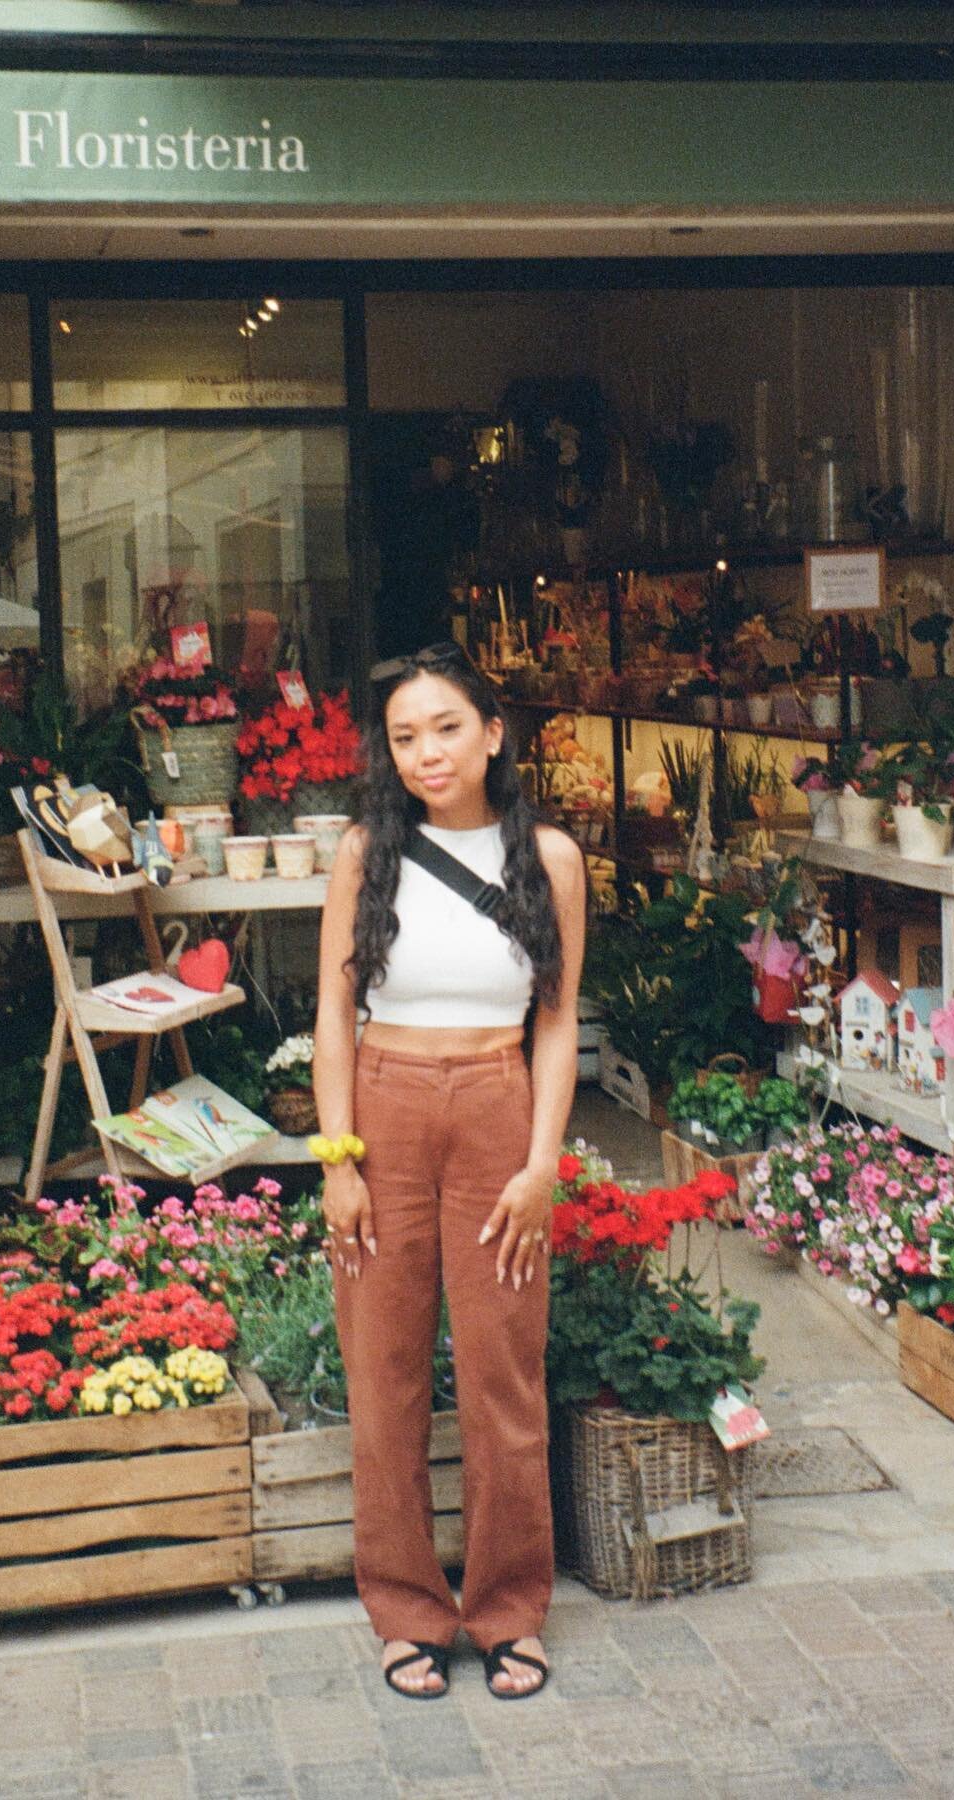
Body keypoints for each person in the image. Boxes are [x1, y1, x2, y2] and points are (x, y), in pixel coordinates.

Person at [313, 641, 585, 1702]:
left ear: (493, 732)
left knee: (503, 1376)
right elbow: (336, 1015)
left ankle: (510, 1609)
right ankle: (407, 1609)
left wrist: (540, 1164)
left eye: (447, 728)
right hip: (381, 1107)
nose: (428, 753)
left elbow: (556, 1025)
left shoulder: (550, 859)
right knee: (383, 1376)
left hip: (495, 1104)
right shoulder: (362, 852)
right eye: (406, 737)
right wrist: (339, 1157)